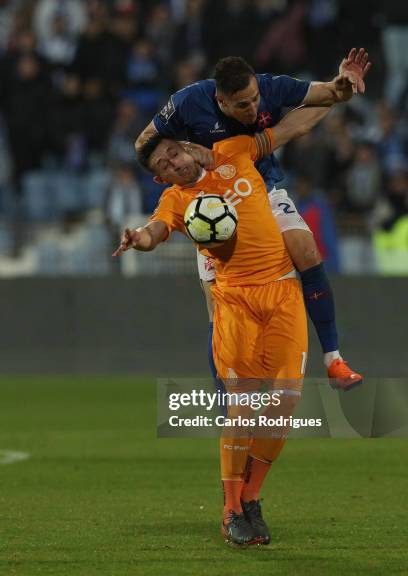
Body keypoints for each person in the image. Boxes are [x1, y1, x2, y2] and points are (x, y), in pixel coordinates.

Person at [114, 105, 333, 546]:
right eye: (163, 165)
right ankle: (232, 509)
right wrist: (140, 238)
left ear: (186, 147)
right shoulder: (175, 201)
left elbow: (290, 128)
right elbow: (157, 230)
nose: (174, 162)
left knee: (286, 401)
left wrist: (332, 95)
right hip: (234, 302)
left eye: (174, 152)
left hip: (283, 291)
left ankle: (251, 498)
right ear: (159, 178)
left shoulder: (235, 152)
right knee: (242, 404)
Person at [135, 49, 371, 390]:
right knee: (218, 311)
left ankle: (333, 359)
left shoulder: (271, 88)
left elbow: (330, 94)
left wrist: (344, 82)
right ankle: (227, 405)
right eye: (242, 105)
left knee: (306, 250)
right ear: (220, 101)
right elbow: (143, 143)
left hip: (258, 188)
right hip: (210, 207)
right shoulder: (187, 103)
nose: (255, 109)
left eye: (255, 99)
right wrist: (181, 155)